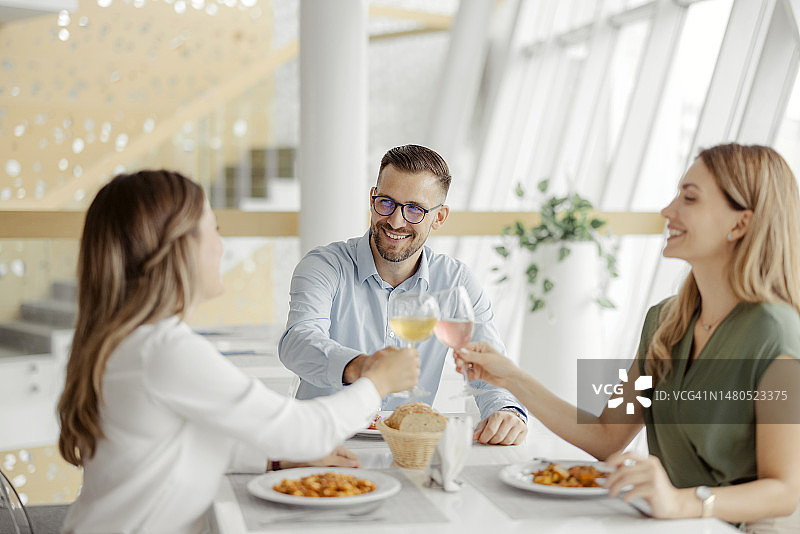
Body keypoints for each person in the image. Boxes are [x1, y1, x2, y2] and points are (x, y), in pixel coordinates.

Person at [455, 143, 800, 530]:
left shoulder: (775, 331)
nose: (669, 211)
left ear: (739, 224)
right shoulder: (666, 323)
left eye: (689, 198)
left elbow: (785, 491)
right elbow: (606, 436)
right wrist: (509, 378)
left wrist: (681, 503)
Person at [56, 170, 419, 534]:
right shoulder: (165, 352)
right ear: (178, 246)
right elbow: (305, 431)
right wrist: (377, 382)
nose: (220, 246)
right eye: (213, 229)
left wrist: (275, 462)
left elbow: (178, 445)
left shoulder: (133, 342)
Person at [278, 144, 528, 445]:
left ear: (439, 217)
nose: (395, 221)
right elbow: (297, 342)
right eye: (386, 203)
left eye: (414, 210)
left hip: (409, 450)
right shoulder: (325, 266)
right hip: (321, 442)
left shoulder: (455, 281)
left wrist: (507, 410)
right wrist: (363, 367)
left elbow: (488, 363)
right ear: (372, 198)